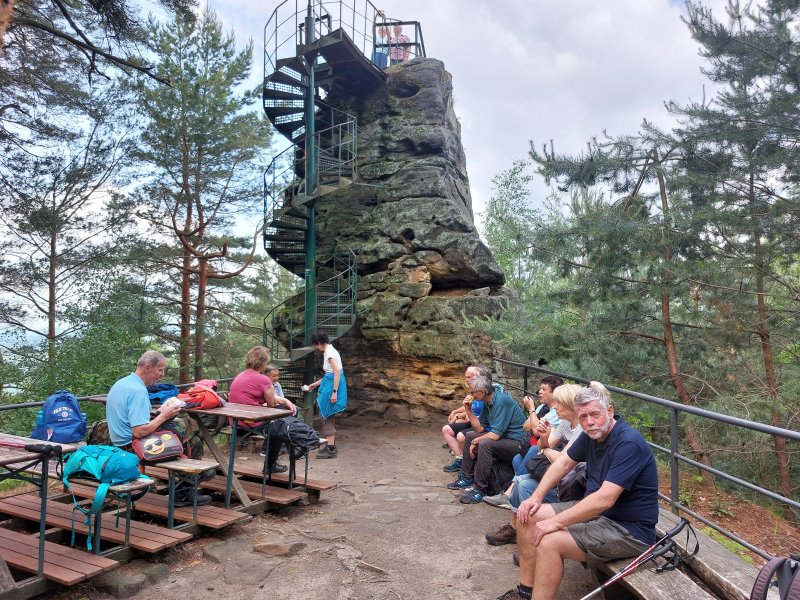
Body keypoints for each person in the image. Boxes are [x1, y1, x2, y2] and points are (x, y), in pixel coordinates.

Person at [498, 383, 659, 600]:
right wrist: (535, 498)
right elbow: (562, 464)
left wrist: (556, 522)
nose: (590, 422)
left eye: (595, 414)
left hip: (629, 530)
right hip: (598, 516)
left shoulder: (628, 443)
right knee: (527, 516)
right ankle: (525, 592)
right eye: (583, 416)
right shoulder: (590, 434)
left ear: (609, 411)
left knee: (549, 541)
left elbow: (605, 499)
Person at [106, 350, 212, 507]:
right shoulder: (138, 391)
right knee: (195, 443)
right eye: (160, 370)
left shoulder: (122, 383)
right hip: (132, 448)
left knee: (180, 432)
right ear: (148, 368)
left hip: (118, 442)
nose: (162, 375)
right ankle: (183, 494)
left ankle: (185, 483)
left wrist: (159, 413)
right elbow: (139, 431)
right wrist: (164, 416)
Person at [484, 384, 584, 545]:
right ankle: (516, 529)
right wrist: (544, 438)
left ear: (571, 405)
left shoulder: (582, 430)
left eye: (559, 402)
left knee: (523, 485)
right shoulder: (566, 423)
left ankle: (527, 537)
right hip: (561, 475)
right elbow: (541, 447)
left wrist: (546, 450)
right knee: (521, 480)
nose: (555, 406)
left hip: (571, 485)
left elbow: (562, 461)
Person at [447, 376, 527, 504]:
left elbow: (495, 435)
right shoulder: (487, 401)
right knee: (471, 435)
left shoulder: (501, 401)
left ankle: (480, 489)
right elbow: (479, 428)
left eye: (473, 392)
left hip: (517, 443)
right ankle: (466, 477)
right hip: (505, 439)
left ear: (482, 391)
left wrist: (476, 442)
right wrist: (468, 410)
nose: (471, 394)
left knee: (485, 443)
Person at [229, 347, 297, 473]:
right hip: (250, 424)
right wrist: (285, 402)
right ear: (264, 362)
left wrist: (284, 400)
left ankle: (277, 455)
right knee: (281, 424)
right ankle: (271, 464)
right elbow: (271, 404)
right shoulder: (263, 379)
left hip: (235, 422)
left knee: (280, 420)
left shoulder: (240, 376)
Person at [305, 331, 347, 459]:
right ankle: (331, 445)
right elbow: (330, 374)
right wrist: (315, 384)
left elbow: (336, 373)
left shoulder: (329, 353)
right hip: (329, 384)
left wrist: (334, 392)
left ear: (319, 343)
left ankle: (331, 449)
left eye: (315, 345)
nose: (316, 348)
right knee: (327, 414)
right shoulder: (330, 350)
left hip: (332, 387)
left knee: (325, 415)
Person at [441, 365, 486, 472]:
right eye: (466, 377)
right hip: (472, 420)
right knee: (446, 429)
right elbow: (470, 405)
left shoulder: (483, 391)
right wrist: (457, 412)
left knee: (461, 436)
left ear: (478, 377)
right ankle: (459, 458)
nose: (467, 379)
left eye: (469, 377)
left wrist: (464, 414)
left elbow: (482, 415)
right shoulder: (473, 390)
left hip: (481, 424)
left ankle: (467, 465)